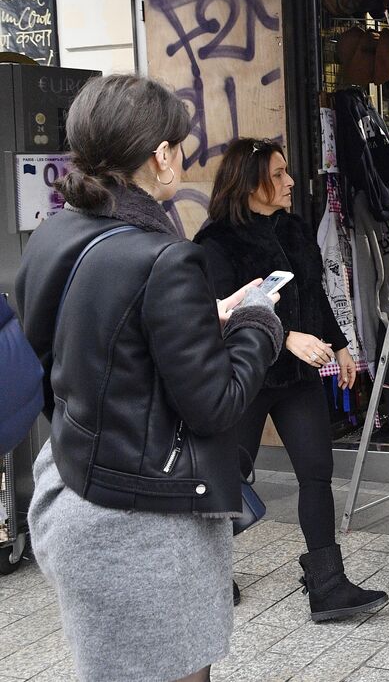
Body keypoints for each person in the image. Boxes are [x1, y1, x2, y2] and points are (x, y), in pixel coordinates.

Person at [15, 75, 283, 682]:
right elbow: (216, 405)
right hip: (145, 526)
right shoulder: (164, 257)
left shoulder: (55, 232)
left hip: (69, 490)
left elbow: (60, 354)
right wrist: (257, 325)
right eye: (179, 147)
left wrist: (196, 318)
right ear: (160, 155)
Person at [195, 138, 389, 623]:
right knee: (227, 480)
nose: (289, 181)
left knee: (316, 472)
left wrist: (342, 346)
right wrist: (286, 338)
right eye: (278, 174)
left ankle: (327, 584)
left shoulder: (294, 227)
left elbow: (317, 294)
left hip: (297, 376)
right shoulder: (214, 243)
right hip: (244, 377)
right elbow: (223, 315)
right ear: (249, 182)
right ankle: (205, 575)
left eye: (287, 172)